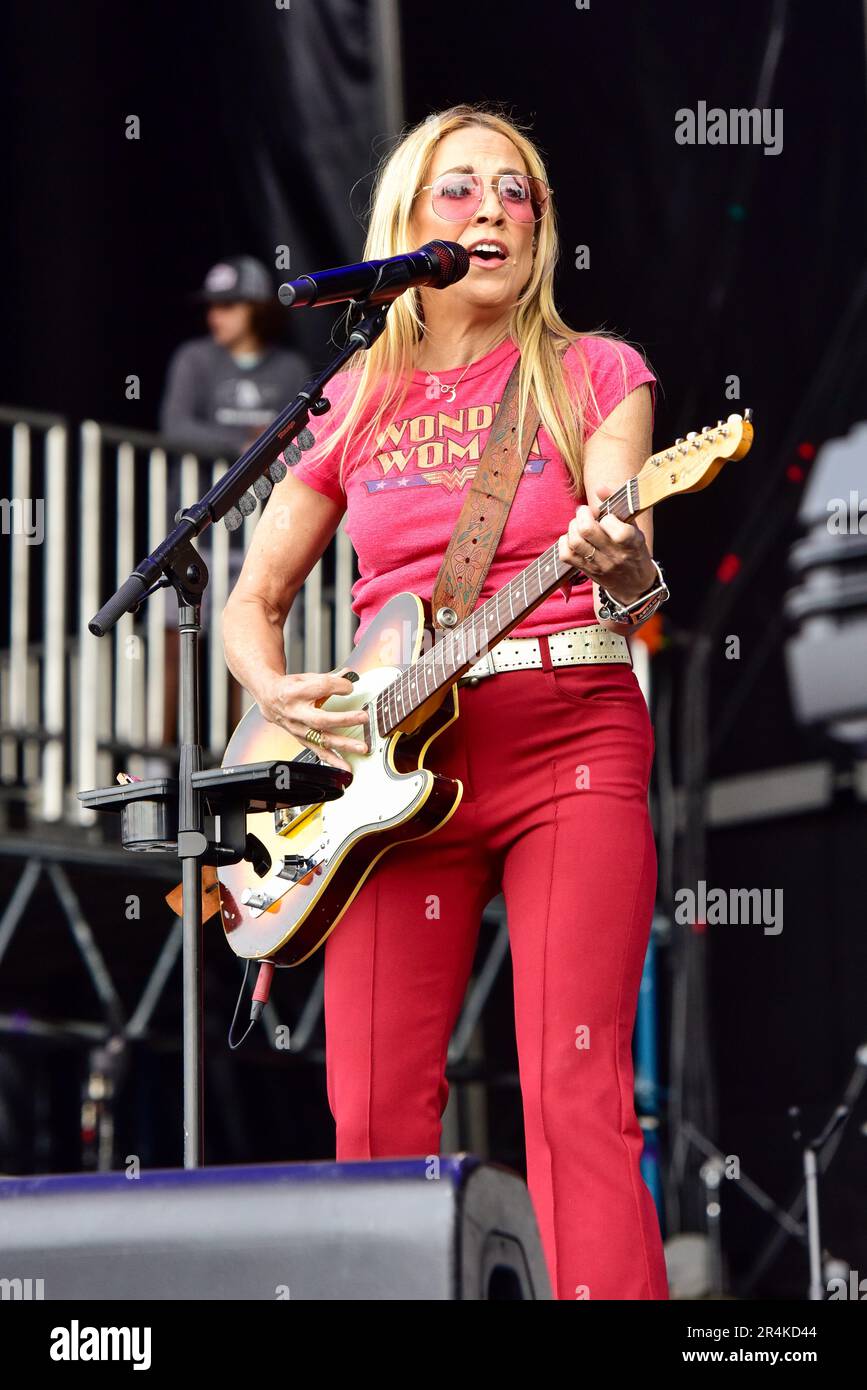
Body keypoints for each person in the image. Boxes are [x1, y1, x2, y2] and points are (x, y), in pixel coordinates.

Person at [221, 104, 670, 1301]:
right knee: (370, 1109)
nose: (492, 211)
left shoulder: (594, 372)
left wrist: (618, 555)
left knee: (572, 1088)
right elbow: (249, 597)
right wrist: (274, 688)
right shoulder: (352, 396)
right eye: (460, 189)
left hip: (566, 737)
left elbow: (636, 585)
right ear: (410, 223)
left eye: (516, 192)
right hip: (385, 785)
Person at [160, 255, 308, 458]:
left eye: (227, 305)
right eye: (211, 305)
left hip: (268, 488)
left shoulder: (291, 367)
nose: (214, 316)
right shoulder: (193, 357)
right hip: (204, 488)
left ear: (258, 308)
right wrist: (244, 445)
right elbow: (175, 427)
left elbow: (303, 432)